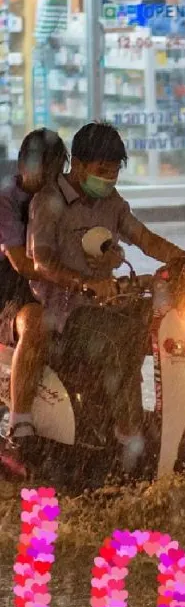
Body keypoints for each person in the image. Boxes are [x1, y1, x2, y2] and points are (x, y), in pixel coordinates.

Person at [26, 121, 185, 465]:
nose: (107, 179)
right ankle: (128, 438)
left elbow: (147, 240)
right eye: (101, 170)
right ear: (77, 165)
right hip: (66, 316)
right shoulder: (48, 202)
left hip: (108, 305)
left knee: (171, 321)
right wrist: (85, 282)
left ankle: (174, 419)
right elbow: (41, 262)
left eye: (114, 172)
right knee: (121, 338)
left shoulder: (112, 203)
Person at [0, 129, 69, 474]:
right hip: (11, 296)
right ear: (25, 164)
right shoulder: (7, 202)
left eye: (58, 170)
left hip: (56, 290)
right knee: (37, 321)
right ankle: (20, 422)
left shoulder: (61, 198)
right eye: (46, 169)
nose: (51, 179)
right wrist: (76, 276)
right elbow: (23, 265)